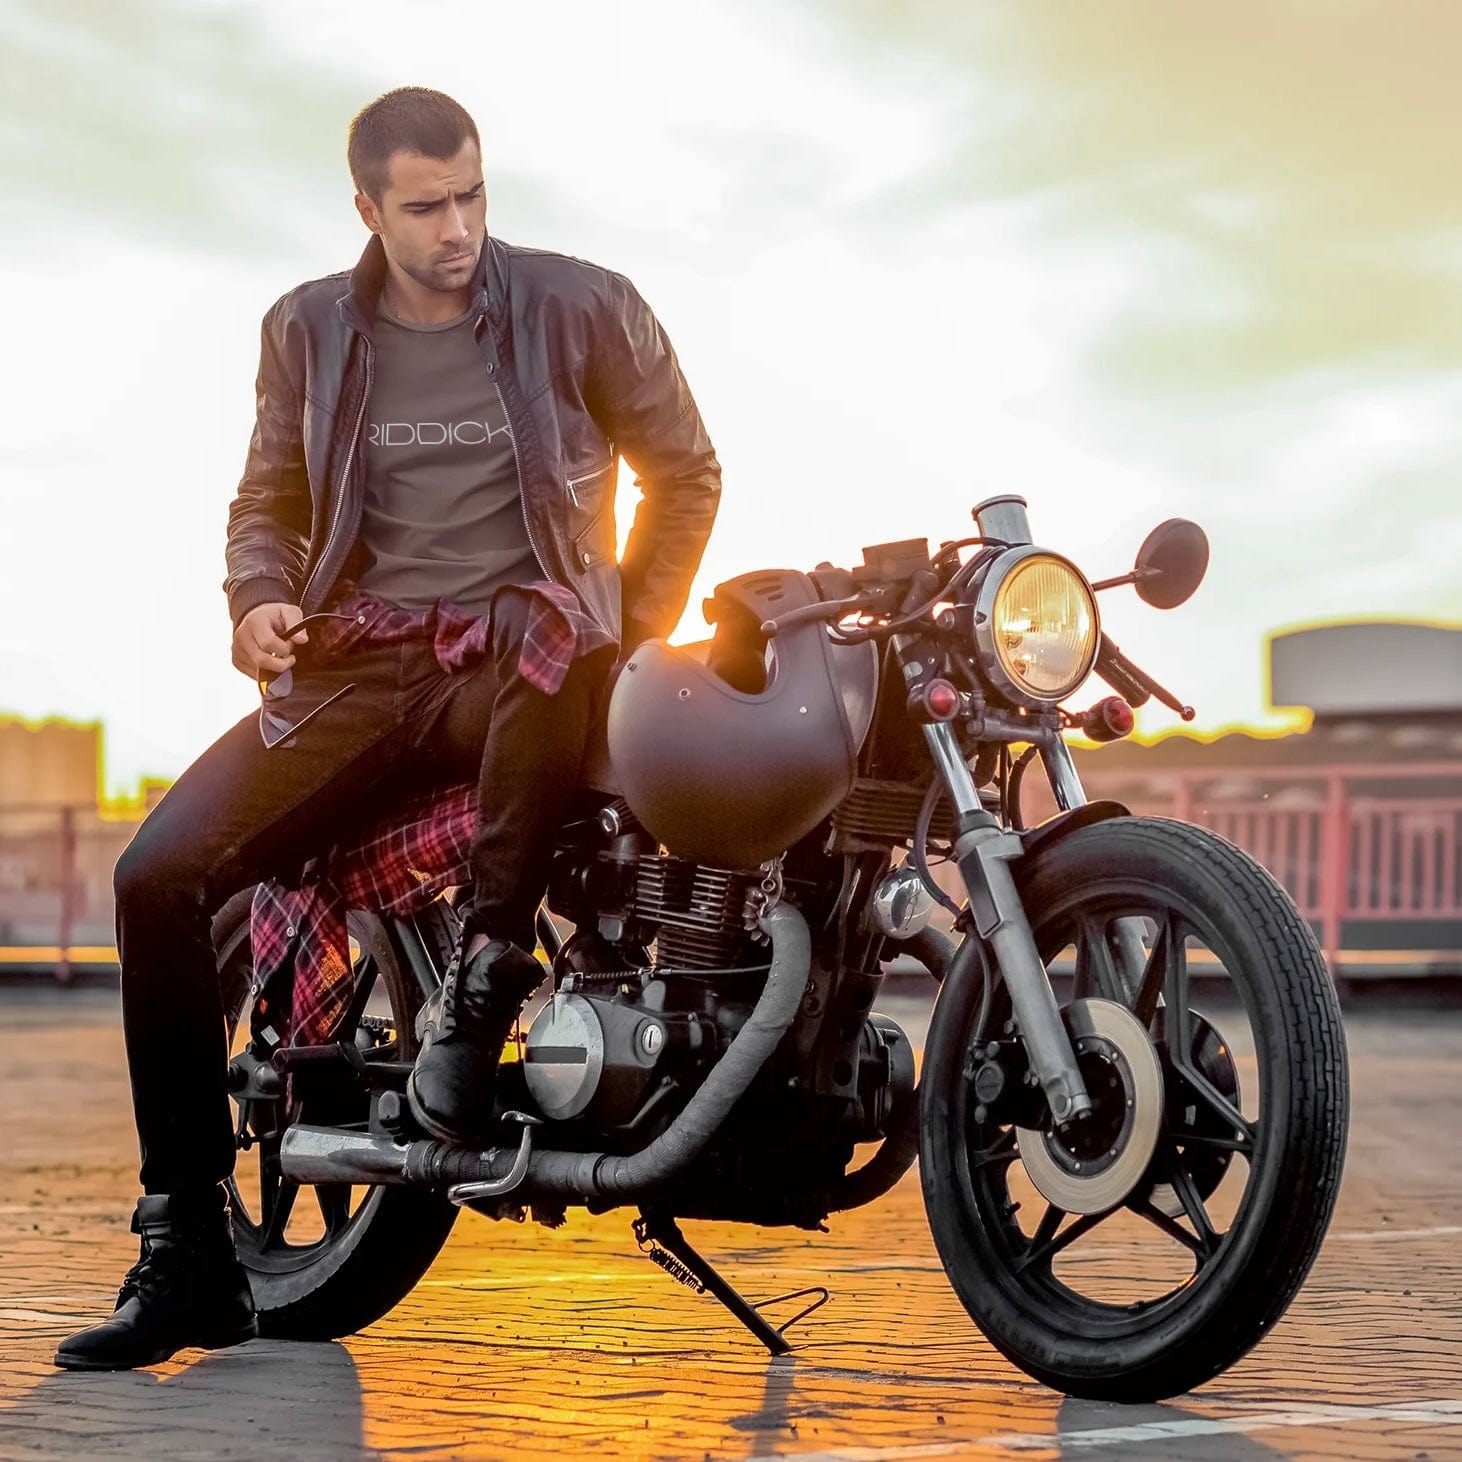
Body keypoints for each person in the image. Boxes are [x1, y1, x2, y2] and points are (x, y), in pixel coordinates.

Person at [55, 86, 720, 1371]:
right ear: (368, 207)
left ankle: (480, 999)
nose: (459, 226)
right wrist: (255, 601)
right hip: (359, 668)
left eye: (473, 193)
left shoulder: (583, 305)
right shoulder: (304, 330)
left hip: (521, 662)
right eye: (426, 206)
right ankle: (186, 1246)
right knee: (157, 875)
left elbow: (685, 470)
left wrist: (629, 634)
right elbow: (268, 500)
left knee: (551, 630)